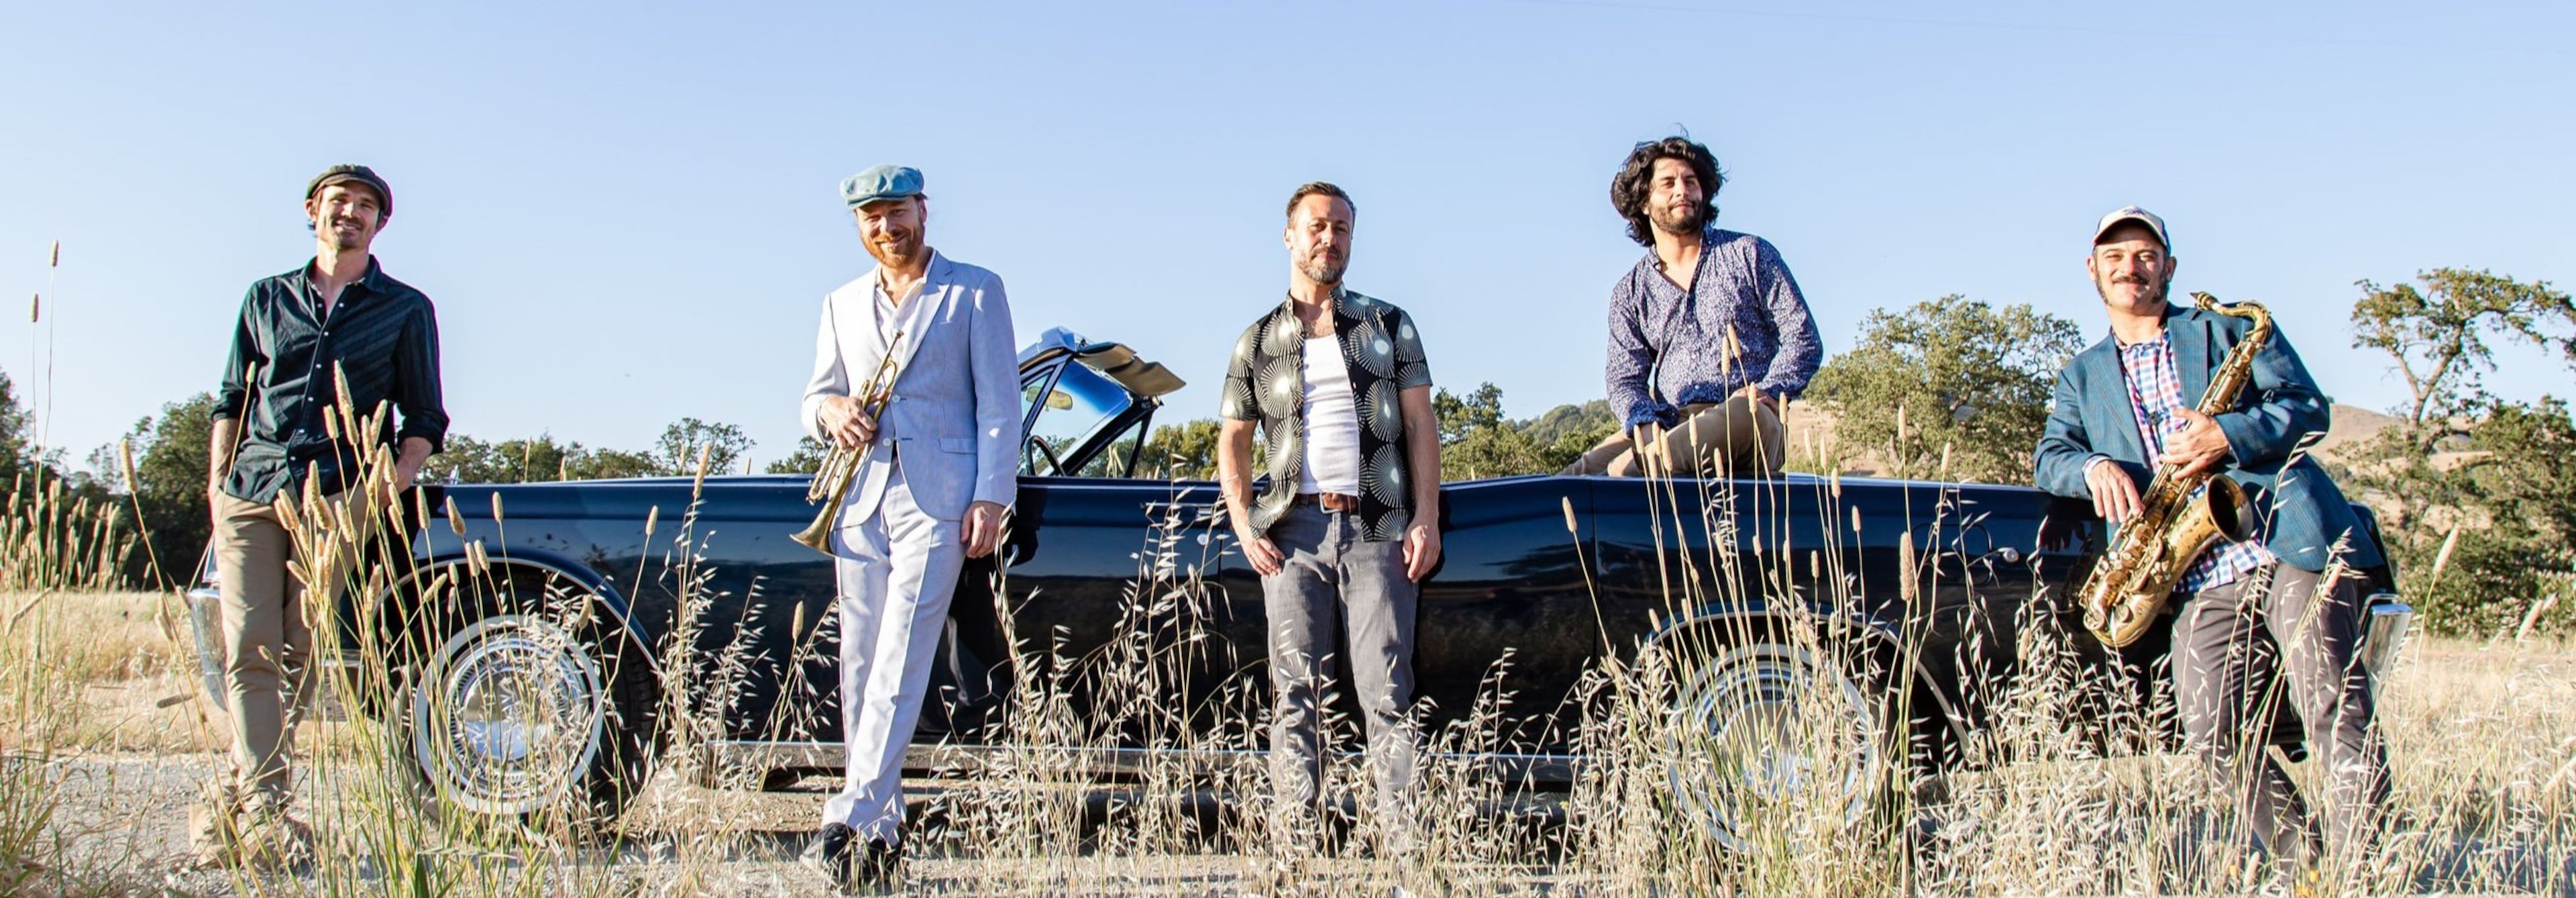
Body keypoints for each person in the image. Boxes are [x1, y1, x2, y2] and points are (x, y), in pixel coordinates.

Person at [2035, 206, 2390, 865]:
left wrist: (2229, 434)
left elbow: (2307, 407)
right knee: (2211, 735)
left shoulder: (2227, 330)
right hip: (2196, 571)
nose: (2129, 267)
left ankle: (2364, 872)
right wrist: (2093, 466)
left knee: (2334, 710)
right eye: (2113, 257)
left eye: (2144, 254)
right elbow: (2050, 455)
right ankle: (2306, 866)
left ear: (2169, 265)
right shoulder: (2081, 376)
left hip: (2288, 543)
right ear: (2092, 271)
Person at [200, 164, 448, 866]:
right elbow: (230, 397)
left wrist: (391, 481)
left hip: (339, 493)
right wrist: (218, 483)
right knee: (250, 643)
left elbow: (424, 413)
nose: (353, 213)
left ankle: (239, 802)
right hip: (253, 488)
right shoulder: (266, 297)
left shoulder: (405, 308)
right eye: (340, 201)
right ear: (314, 211)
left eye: (367, 206)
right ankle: (268, 810)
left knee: (298, 656)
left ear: (380, 224)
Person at [798, 165, 1020, 891]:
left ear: (923, 211)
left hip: (941, 498)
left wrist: (992, 494)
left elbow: (999, 405)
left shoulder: (974, 288)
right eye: (870, 218)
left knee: (903, 649)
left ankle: (849, 813)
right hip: (857, 499)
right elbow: (815, 395)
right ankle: (881, 832)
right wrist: (830, 412)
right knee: (861, 663)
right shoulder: (838, 302)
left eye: (897, 213)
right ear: (858, 227)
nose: (886, 228)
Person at [1217, 182, 1440, 856]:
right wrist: (1243, 522)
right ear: (1290, 236)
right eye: (1317, 226)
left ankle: (1405, 852)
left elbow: (1422, 426)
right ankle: (1296, 849)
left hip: (1378, 528)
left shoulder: (1389, 324)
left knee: (1387, 692)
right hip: (1292, 535)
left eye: (1342, 228)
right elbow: (1231, 438)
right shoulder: (1257, 339)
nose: (1330, 238)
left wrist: (1425, 517)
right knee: (1297, 694)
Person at [1564, 135, 1822, 478]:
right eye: (1668, 183)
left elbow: (1803, 338)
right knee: (1578, 477)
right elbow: (1624, 379)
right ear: (1643, 202)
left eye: (1690, 181)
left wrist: (1771, 391)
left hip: (1747, 418)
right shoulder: (1630, 291)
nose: (1682, 191)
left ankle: (1639, 471)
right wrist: (1642, 421)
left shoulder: (1749, 254)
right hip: (1673, 421)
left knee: (1634, 468)